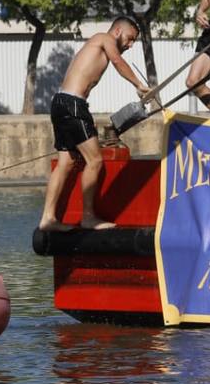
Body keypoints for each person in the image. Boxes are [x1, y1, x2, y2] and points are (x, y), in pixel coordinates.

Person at [39, 18, 150, 232]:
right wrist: (137, 84)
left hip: (61, 102)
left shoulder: (100, 43)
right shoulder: (104, 38)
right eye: (130, 39)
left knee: (67, 163)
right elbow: (117, 61)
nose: (130, 45)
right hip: (73, 105)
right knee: (95, 160)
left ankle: (47, 219)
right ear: (118, 31)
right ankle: (88, 217)